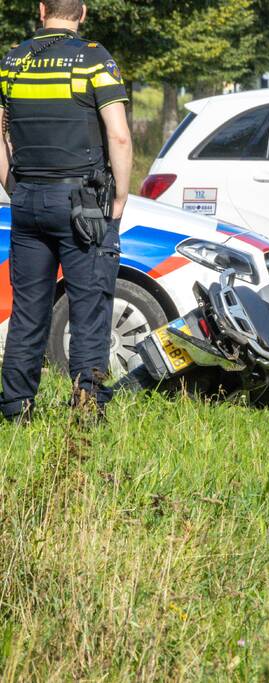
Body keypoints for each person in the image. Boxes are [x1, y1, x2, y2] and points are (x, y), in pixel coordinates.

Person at [0, 0, 132, 422]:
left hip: (27, 202)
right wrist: (120, 199)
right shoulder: (93, 58)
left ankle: (16, 408)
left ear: (41, 10)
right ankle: (87, 409)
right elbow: (119, 136)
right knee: (89, 308)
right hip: (83, 204)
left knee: (28, 311)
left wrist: (14, 187)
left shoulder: (13, 62)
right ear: (84, 11)